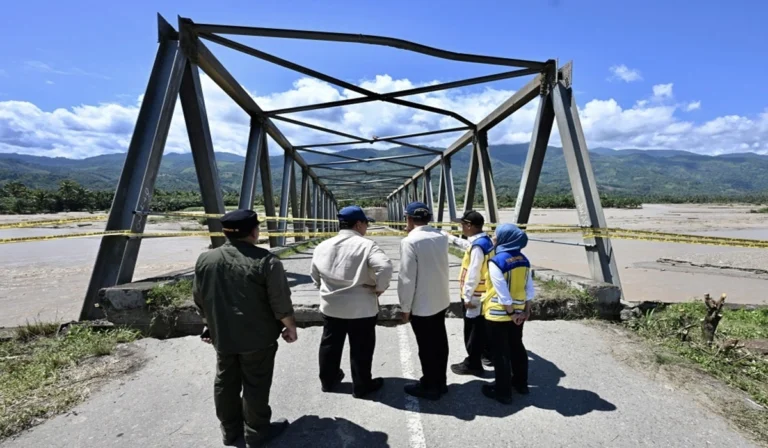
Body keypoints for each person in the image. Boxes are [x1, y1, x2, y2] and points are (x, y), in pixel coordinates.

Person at [193, 209, 297, 447]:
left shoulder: (205, 259)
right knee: (256, 383)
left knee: (225, 381)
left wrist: (209, 325)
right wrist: (290, 327)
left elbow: (200, 299)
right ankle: (256, 432)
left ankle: (230, 431)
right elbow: (280, 303)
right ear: (253, 231)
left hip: (223, 336)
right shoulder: (266, 261)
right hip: (257, 338)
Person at [310, 205, 393, 398]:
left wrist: (325, 290)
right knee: (361, 347)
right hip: (361, 307)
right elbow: (385, 267)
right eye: (366, 223)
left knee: (330, 344)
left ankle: (328, 381)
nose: (366, 228)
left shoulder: (323, 246)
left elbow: (314, 275)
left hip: (332, 305)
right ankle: (362, 385)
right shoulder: (367, 245)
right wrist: (379, 288)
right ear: (358, 224)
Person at [397, 201, 451, 400]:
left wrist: (405, 307)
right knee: (440, 343)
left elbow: (406, 278)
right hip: (440, 300)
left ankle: (430, 385)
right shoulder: (441, 236)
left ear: (409, 218)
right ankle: (441, 382)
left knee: (426, 347)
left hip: (422, 304)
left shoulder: (410, 242)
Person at [480, 223, 535, 405]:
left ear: (505, 238)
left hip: (499, 313)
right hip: (519, 312)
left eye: (496, 235)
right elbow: (529, 288)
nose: (493, 237)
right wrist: (525, 310)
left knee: (500, 352)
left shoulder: (497, 261)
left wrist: (510, 313)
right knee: (517, 347)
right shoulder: (524, 260)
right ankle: (521, 384)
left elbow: (501, 291)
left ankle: (502, 392)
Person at [442, 210, 495, 376]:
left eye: (462, 224)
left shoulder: (478, 247)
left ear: (469, 225)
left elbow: (473, 272)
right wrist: (450, 238)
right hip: (484, 293)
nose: (461, 227)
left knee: (472, 330)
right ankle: (487, 355)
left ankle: (473, 363)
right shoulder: (485, 240)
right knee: (481, 327)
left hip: (475, 294)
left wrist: (467, 296)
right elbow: (469, 246)